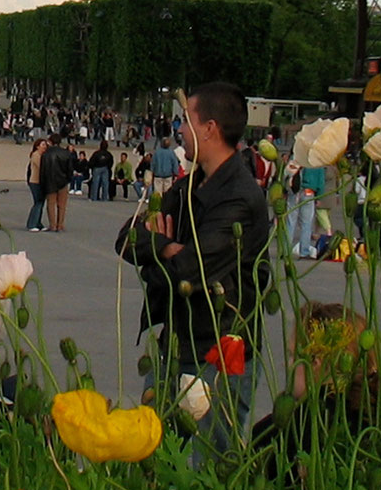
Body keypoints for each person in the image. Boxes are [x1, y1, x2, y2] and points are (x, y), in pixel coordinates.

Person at [115, 82, 272, 454]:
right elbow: (125, 238)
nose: (179, 129)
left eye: (186, 121)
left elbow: (189, 273)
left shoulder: (239, 197)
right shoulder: (191, 186)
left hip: (217, 354)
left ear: (210, 129)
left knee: (208, 470)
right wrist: (167, 247)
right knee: (153, 456)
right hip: (176, 343)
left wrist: (156, 253)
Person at [39, 132, 75, 233]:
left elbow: (43, 170)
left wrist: (42, 183)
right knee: (62, 205)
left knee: (51, 204)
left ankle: (52, 225)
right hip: (63, 181)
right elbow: (70, 169)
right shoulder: (66, 153)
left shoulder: (46, 154)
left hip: (50, 181)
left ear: (50, 141)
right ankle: (60, 225)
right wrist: (68, 179)